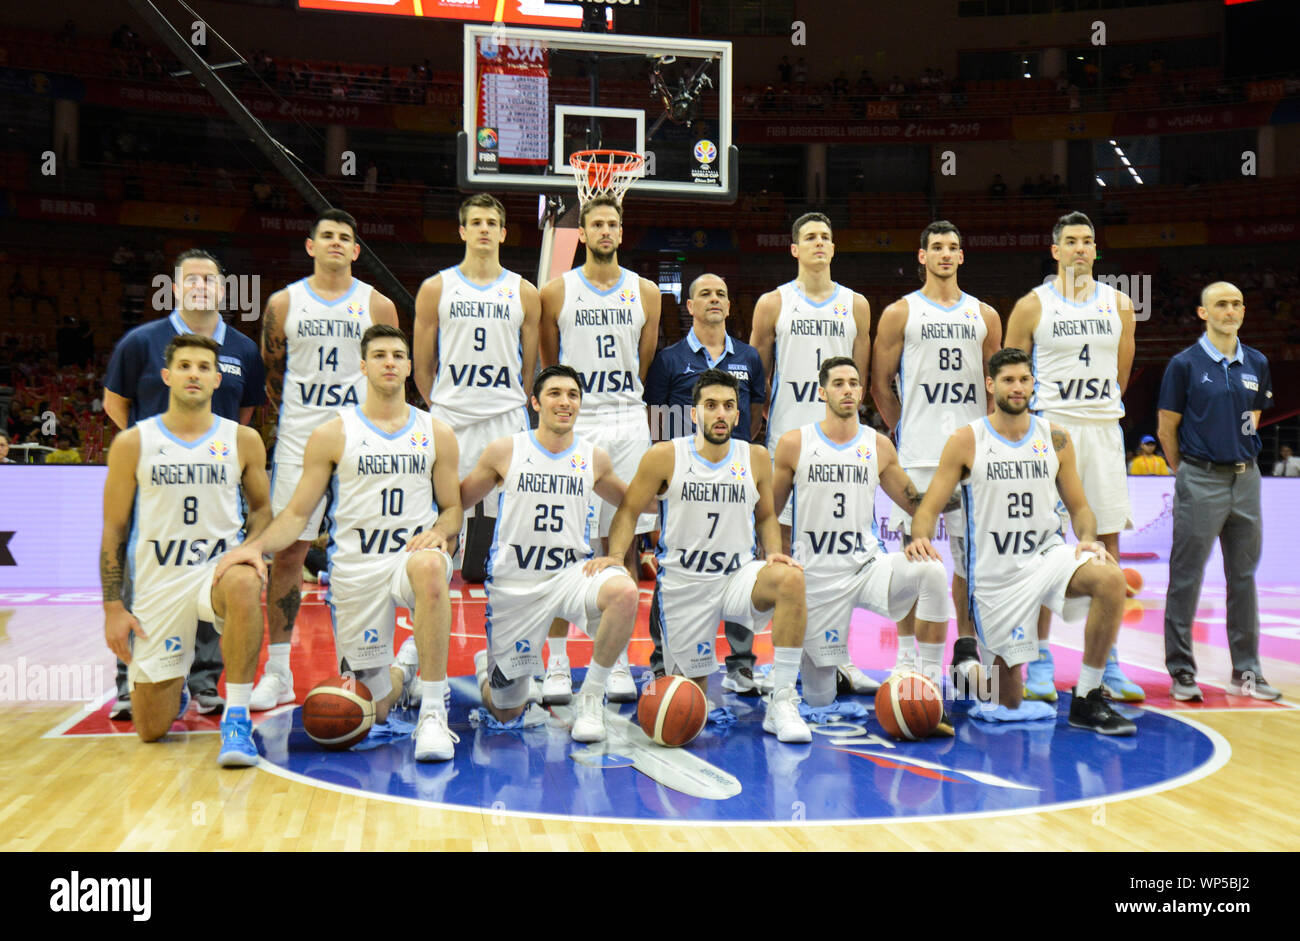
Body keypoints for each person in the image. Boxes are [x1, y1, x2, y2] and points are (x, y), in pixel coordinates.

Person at [217, 324, 465, 759]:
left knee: (429, 566)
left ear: (409, 366)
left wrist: (442, 532)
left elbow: (453, 508)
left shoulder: (437, 432)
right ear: (363, 365)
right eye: (380, 355)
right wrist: (254, 546)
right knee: (371, 708)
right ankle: (401, 673)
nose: (390, 362)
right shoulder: (332, 434)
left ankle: (432, 713)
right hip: (356, 568)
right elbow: (296, 514)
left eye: (398, 355)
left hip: (410, 557)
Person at [907, 348, 1136, 735]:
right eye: (1009, 380)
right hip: (996, 577)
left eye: (1024, 379)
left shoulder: (1056, 438)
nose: (1018, 387)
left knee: (1110, 579)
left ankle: (1088, 697)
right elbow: (929, 508)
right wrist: (920, 539)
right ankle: (965, 671)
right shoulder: (966, 440)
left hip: (1046, 556)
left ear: (1034, 384)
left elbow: (1079, 507)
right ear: (991, 384)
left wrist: (1088, 539)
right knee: (1008, 699)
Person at [606, 368, 813, 743]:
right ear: (694, 413)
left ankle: (782, 700)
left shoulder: (756, 457)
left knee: (791, 578)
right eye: (711, 405)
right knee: (689, 704)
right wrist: (618, 558)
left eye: (728, 406)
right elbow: (628, 511)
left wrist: (776, 554)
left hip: (736, 578)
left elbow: (766, 515)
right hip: (685, 585)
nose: (720, 414)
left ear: (738, 415)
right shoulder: (665, 456)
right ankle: (676, 674)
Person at [102, 248, 266, 720]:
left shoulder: (243, 350)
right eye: (190, 279)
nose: (200, 286)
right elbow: (117, 404)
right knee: (143, 573)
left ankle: (205, 681)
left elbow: (243, 416)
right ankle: (132, 682)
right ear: (174, 288)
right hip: (156, 483)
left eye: (209, 280)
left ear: (223, 290)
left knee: (221, 571)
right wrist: (154, 454)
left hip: (215, 479)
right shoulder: (140, 342)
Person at [252, 209, 400, 713]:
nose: (337, 243)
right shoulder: (283, 302)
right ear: (311, 245)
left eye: (346, 238)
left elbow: (391, 371)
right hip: (300, 438)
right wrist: (306, 421)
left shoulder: (376, 303)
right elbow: (274, 376)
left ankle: (364, 664)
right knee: (290, 553)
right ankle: (277, 671)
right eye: (327, 236)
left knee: (367, 553)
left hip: (364, 439)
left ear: (357, 250)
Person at [1005, 211, 1144, 703]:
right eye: (1071, 241)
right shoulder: (1030, 305)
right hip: (1050, 432)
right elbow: (1010, 375)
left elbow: (1122, 371)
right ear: (1055, 250)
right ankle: (1039, 655)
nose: (1081, 249)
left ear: (1094, 250)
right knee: (1042, 546)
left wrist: (1097, 411)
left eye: (1088, 241)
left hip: (1103, 430)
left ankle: (1105, 660)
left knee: (1106, 544)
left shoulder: (1121, 304)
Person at [459, 365, 640, 742]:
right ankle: (485, 667)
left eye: (572, 394)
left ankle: (590, 697)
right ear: (535, 402)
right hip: (516, 585)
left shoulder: (595, 458)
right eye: (555, 393)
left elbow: (633, 503)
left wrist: (618, 555)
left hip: (571, 576)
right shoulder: (506, 450)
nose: (565, 401)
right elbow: (459, 499)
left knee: (624, 591)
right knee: (507, 710)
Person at [772, 357, 953, 724]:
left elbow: (915, 501)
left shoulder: (879, 445)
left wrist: (948, 505)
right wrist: (773, 556)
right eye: (838, 383)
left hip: (867, 566)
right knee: (820, 702)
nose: (848, 390)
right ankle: (816, 677)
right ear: (822, 392)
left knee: (932, 570)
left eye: (854, 383)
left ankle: (930, 686)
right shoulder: (794, 444)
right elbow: (769, 513)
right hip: (817, 578)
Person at [538, 195, 660, 705]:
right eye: (596, 224)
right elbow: (551, 359)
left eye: (613, 223)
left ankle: (613, 661)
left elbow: (645, 356)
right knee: (567, 542)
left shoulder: (646, 291)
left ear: (621, 231)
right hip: (579, 420)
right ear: (583, 233)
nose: (606, 231)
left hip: (627, 417)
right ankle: (560, 663)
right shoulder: (557, 290)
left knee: (623, 542)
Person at [871, 220, 1000, 692]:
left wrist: (981, 436)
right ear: (922, 256)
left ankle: (966, 651)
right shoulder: (899, 313)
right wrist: (902, 427)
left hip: (971, 458)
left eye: (953, 247)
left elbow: (994, 385)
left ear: (962, 256)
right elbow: (880, 383)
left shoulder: (985, 314)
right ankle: (906, 657)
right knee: (913, 559)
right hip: (919, 453)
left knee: (970, 561)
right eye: (937, 248)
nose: (946, 254)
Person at [749, 212, 872, 692]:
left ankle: (836, 654)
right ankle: (778, 658)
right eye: (809, 237)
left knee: (839, 550)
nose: (819, 243)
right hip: (787, 434)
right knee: (780, 550)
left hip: (840, 441)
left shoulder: (856, 304)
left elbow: (856, 377)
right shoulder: (773, 302)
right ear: (794, 248)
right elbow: (758, 375)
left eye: (826, 236)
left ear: (834, 248)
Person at [642, 273, 767, 692]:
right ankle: (663, 658)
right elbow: (657, 419)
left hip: (734, 474)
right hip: (684, 476)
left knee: (741, 561)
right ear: (689, 306)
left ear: (730, 307)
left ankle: (741, 662)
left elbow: (755, 414)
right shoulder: (669, 360)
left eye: (721, 294)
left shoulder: (748, 357)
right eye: (705, 294)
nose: (714, 299)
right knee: (675, 564)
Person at [1157, 282, 1280, 702]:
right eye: (1221, 305)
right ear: (1203, 313)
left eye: (1236, 304)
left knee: (1243, 579)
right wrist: (1190, 471)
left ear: (1244, 310)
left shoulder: (1257, 362)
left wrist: (1238, 452)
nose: (1230, 311)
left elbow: (1252, 419)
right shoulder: (1184, 364)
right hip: (1200, 478)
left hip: (1246, 481)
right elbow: (1166, 428)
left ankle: (1246, 672)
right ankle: (1181, 671)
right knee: (1186, 578)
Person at [413, 194, 539, 584]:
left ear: (503, 233)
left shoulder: (524, 292)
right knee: (443, 515)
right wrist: (444, 405)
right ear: (462, 230)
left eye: (491, 223)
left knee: (512, 519)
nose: (484, 228)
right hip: (452, 416)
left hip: (505, 415)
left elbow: (529, 370)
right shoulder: (437, 287)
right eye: (476, 222)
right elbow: (422, 367)